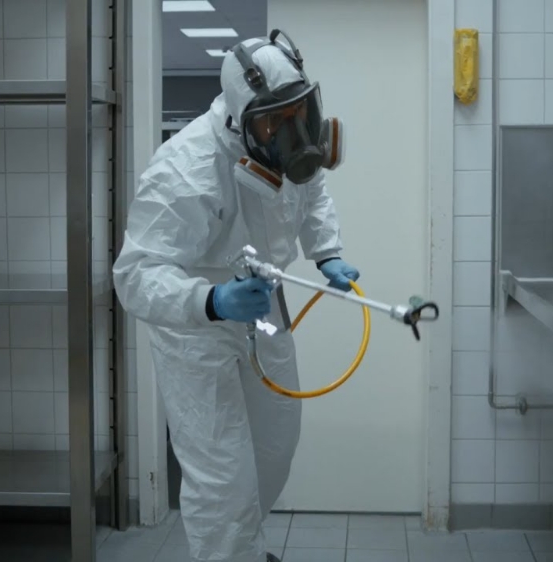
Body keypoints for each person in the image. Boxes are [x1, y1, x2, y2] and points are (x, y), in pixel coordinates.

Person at [113, 30, 359, 562]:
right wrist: (211, 301)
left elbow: (311, 190)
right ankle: (231, 553)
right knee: (222, 477)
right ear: (240, 121)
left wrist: (327, 252)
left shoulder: (286, 139)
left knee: (275, 448)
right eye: (276, 120)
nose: (294, 130)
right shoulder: (185, 169)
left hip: (263, 306)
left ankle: (245, 547)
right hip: (195, 327)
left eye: (301, 111)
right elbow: (134, 275)